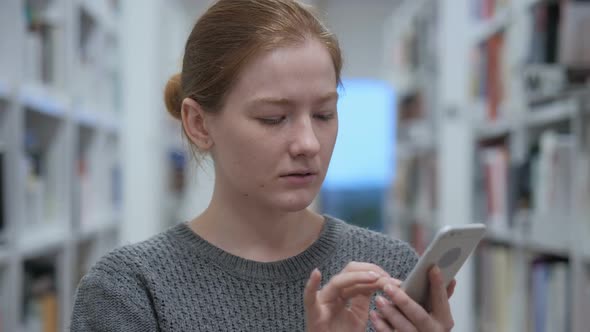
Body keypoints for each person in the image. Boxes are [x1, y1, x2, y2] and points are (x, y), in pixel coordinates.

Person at [70, 0, 456, 331]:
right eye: (274, 118)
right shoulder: (128, 292)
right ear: (199, 124)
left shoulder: (391, 273)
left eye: (324, 114)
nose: (308, 143)